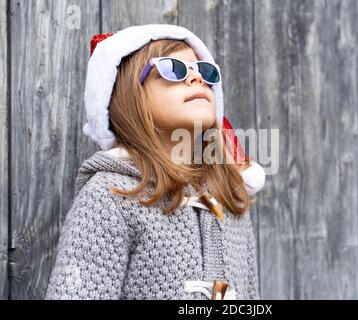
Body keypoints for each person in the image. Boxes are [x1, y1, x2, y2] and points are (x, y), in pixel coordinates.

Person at [45, 24, 265, 300]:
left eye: (205, 71)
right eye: (174, 69)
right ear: (129, 94)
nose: (197, 78)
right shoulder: (109, 197)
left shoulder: (230, 197)